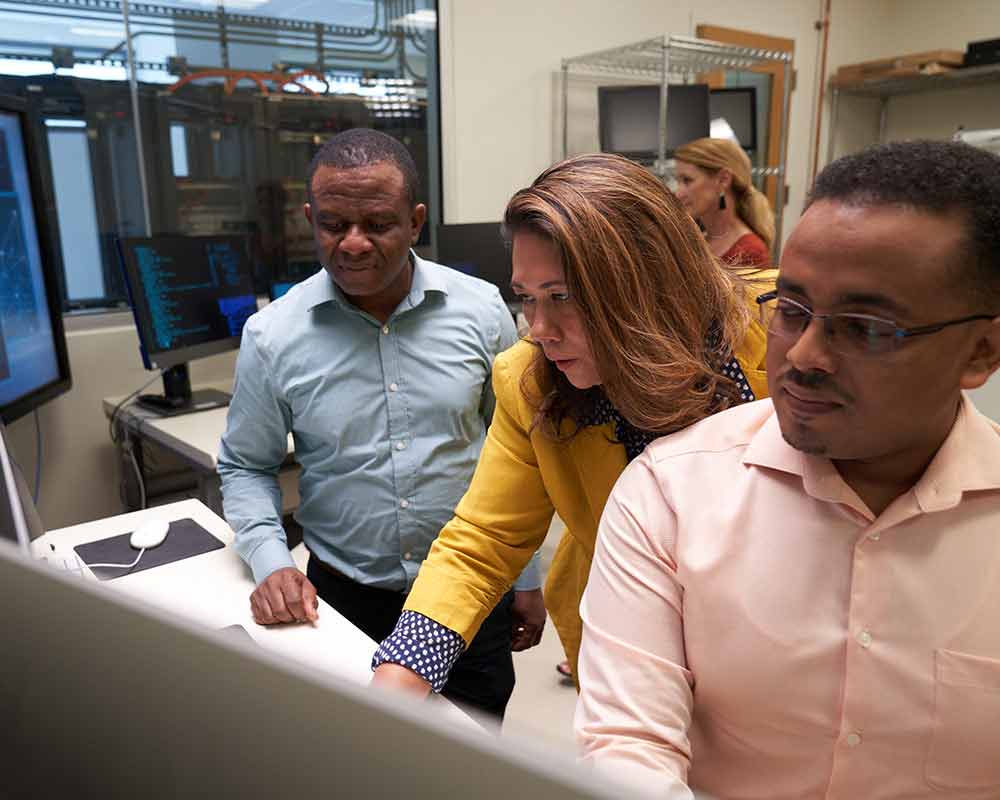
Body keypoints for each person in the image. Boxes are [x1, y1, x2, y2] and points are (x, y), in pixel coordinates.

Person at [576, 139, 1000, 799]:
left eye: (865, 328)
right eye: (793, 310)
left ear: (982, 351)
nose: (802, 356)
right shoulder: (672, 495)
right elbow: (628, 749)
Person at [371, 152, 774, 699]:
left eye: (562, 297)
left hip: (775, 636)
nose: (539, 330)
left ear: (648, 280)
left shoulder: (783, 328)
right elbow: (483, 540)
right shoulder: (530, 383)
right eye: (527, 299)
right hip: (637, 644)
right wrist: (399, 677)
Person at [217, 128, 542, 721]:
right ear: (309, 219)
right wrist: (272, 564)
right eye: (334, 224)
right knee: (357, 763)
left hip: (471, 590)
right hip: (343, 597)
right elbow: (245, 465)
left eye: (378, 224)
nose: (354, 243)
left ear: (416, 221)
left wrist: (527, 574)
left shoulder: (482, 310)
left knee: (470, 757)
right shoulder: (273, 336)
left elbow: (516, 453)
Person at [673, 137, 774, 268]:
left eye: (687, 180)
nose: (678, 193)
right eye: (678, 181)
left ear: (723, 180)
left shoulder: (751, 253)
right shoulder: (698, 241)